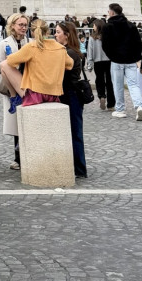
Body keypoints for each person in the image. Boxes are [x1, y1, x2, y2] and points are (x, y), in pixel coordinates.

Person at [0, 13, 29, 169]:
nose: (23, 27)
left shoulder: (31, 42)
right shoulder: (4, 43)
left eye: (25, 25)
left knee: (28, 120)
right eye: (20, 24)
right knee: (16, 122)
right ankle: (18, 158)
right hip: (12, 87)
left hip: (28, 84)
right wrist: (9, 64)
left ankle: (29, 154)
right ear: (12, 25)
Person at [101, 4, 142, 121]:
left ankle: (120, 109)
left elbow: (105, 45)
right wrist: (136, 57)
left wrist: (112, 56)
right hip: (130, 60)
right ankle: (139, 106)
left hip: (116, 61)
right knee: (133, 85)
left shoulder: (107, 26)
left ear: (111, 13)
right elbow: (138, 43)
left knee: (118, 85)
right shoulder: (131, 25)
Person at [55, 20, 88, 178]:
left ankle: (79, 169)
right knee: (72, 131)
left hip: (71, 94)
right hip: (69, 93)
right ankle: (76, 167)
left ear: (66, 35)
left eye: (58, 32)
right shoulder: (69, 50)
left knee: (75, 131)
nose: (55, 35)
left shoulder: (69, 53)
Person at [86, 18, 114, 110]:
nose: (93, 27)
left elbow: (90, 52)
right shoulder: (108, 36)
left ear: (97, 26)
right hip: (109, 61)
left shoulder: (92, 38)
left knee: (99, 80)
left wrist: (89, 64)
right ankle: (111, 104)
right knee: (110, 82)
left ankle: (102, 96)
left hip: (97, 62)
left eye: (94, 25)